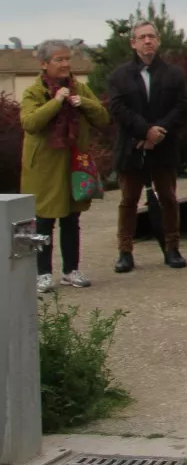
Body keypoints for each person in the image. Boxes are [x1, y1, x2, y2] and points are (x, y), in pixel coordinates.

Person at [21, 41, 110, 292]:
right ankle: (43, 273)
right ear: (44, 64)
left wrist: (85, 103)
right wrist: (56, 102)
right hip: (44, 167)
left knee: (72, 218)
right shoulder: (33, 92)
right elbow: (30, 122)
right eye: (59, 60)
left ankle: (71, 270)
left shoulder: (79, 88)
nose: (65, 64)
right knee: (43, 221)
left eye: (67, 59)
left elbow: (103, 117)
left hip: (73, 163)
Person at [105, 20, 187, 272]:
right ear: (133, 43)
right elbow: (117, 109)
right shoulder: (118, 76)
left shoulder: (173, 74)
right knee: (128, 200)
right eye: (142, 37)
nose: (147, 41)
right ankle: (125, 252)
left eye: (151, 36)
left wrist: (158, 132)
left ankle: (172, 248)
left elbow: (182, 107)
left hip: (164, 146)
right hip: (132, 147)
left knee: (168, 198)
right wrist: (144, 131)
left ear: (159, 41)